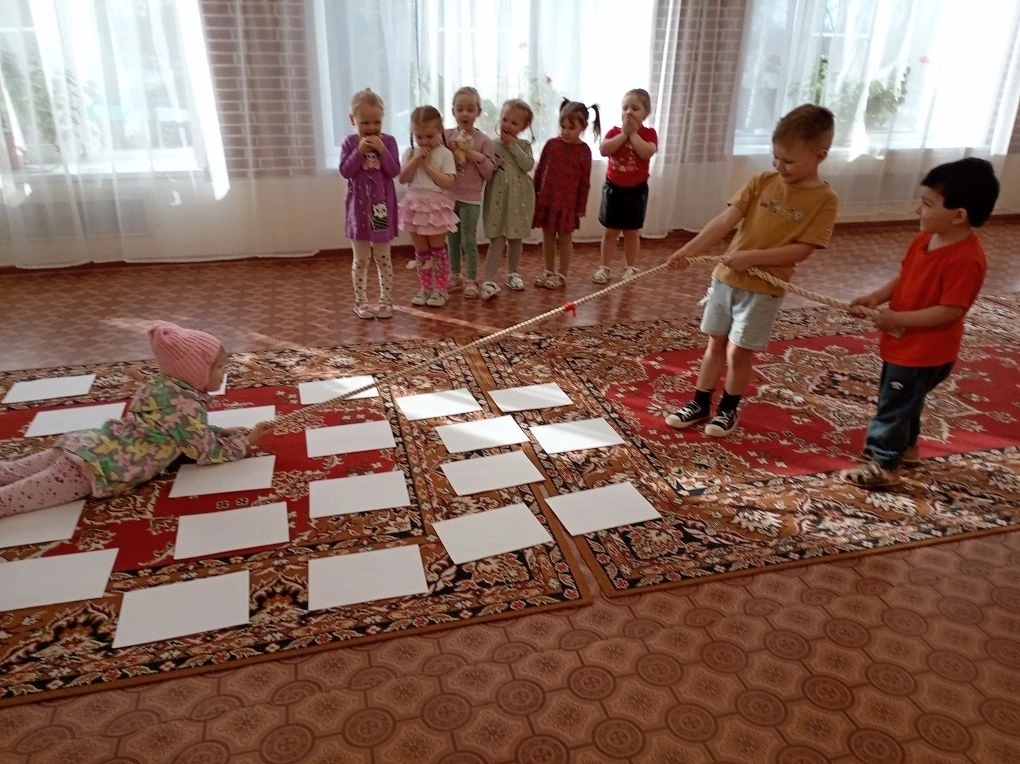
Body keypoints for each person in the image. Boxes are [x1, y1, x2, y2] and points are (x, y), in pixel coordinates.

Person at [665, 104, 839, 437]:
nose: (779, 165)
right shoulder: (762, 181)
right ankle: (700, 403)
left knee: (738, 352)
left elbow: (803, 250)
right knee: (715, 344)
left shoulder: (825, 199)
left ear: (820, 156)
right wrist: (689, 250)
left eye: (788, 161)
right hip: (725, 280)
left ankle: (727, 411)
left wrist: (753, 258)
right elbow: (725, 220)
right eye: (775, 157)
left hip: (764, 289)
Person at [0, 322, 271, 517]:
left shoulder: (159, 385)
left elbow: (172, 428)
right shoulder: (187, 406)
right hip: (96, 470)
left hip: (86, 445)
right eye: (220, 367)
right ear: (196, 371)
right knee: (9, 500)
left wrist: (218, 430)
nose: (225, 373)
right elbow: (205, 451)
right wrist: (246, 441)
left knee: (10, 470)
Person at [839, 158, 999, 488]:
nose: (917, 210)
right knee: (905, 401)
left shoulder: (965, 260)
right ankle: (907, 447)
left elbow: (950, 311)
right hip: (904, 344)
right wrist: (877, 297)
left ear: (958, 215)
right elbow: (906, 276)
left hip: (925, 352)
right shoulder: (924, 239)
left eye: (927, 203)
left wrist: (898, 318)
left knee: (894, 405)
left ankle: (884, 463)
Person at [339, 88, 399, 319]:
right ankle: (361, 301)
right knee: (361, 258)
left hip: (380, 211)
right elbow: (346, 171)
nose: (372, 128)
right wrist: (358, 152)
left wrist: (382, 150)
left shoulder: (389, 142)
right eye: (365, 122)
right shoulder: (349, 143)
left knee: (383, 257)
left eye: (377, 122)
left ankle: (386, 300)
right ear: (352, 120)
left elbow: (393, 170)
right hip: (358, 212)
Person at [532, 98, 600, 290]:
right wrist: (534, 193)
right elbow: (540, 170)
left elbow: (584, 183)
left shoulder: (584, 151)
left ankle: (561, 274)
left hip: (567, 204)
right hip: (547, 200)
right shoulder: (551, 145)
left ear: (583, 127)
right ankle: (548, 270)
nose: (566, 131)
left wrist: (580, 207)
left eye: (571, 127)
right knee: (547, 236)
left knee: (564, 238)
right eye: (563, 126)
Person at [594, 88, 658, 284]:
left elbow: (646, 153)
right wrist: (624, 134)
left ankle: (630, 267)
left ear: (645, 113)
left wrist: (633, 135)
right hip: (613, 189)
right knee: (610, 231)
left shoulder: (649, 134)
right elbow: (604, 150)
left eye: (635, 108)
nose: (629, 112)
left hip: (636, 191)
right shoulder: (614, 132)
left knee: (631, 232)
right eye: (625, 108)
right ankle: (604, 267)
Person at [397, 105, 458, 307]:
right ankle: (425, 288)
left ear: (440, 130)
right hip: (414, 207)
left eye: (429, 136)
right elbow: (403, 178)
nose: (424, 142)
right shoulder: (410, 153)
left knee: (437, 250)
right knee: (421, 252)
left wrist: (429, 167)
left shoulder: (445, 154)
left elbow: (448, 183)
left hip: (435, 208)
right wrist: (416, 159)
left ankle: (440, 289)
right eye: (419, 137)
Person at [479, 98, 536, 301]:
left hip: (519, 200)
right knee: (497, 239)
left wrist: (513, 146)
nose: (508, 125)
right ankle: (488, 280)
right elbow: (486, 169)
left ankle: (513, 273)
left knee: (515, 238)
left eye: (514, 122)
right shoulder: (491, 144)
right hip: (498, 199)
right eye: (505, 119)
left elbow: (527, 165)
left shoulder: (524, 145)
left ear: (523, 127)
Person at [445, 87, 497, 298]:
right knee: (452, 239)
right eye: (460, 109)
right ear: (453, 111)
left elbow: (489, 172)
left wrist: (478, 157)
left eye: (470, 109)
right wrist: (448, 150)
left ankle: (471, 279)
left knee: (468, 239)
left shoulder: (484, 140)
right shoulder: (446, 136)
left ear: (478, 112)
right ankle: (455, 274)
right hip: (449, 197)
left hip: (471, 199)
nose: (464, 113)